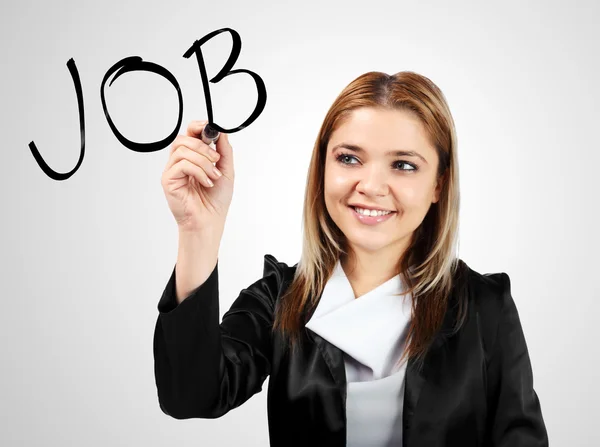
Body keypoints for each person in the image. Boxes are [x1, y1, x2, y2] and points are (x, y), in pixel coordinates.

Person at [153, 71, 549, 447]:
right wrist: (198, 231)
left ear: (438, 185)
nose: (372, 186)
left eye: (404, 165)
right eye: (349, 159)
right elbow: (189, 397)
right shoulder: (280, 298)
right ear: (322, 167)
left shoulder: (485, 306)